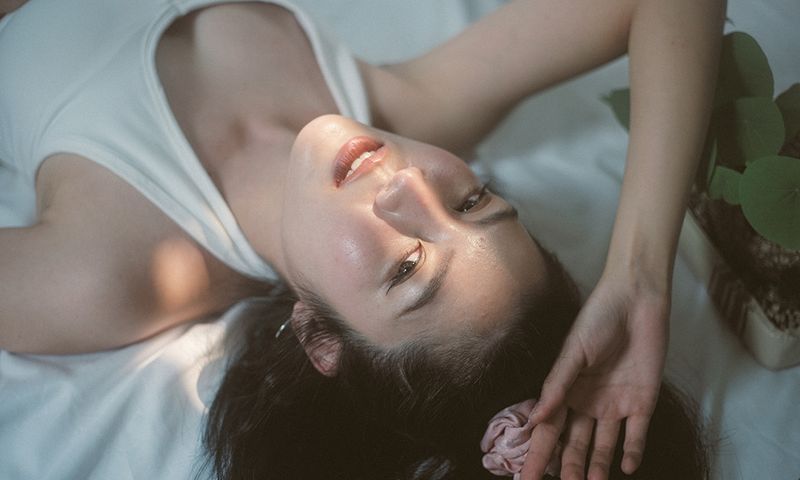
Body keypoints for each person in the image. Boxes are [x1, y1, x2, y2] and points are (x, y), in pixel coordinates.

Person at [0, 0, 725, 478]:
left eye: (407, 267)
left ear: (320, 339)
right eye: (473, 200)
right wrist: (638, 274)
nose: (408, 184)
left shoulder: (107, 275)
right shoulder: (405, 106)